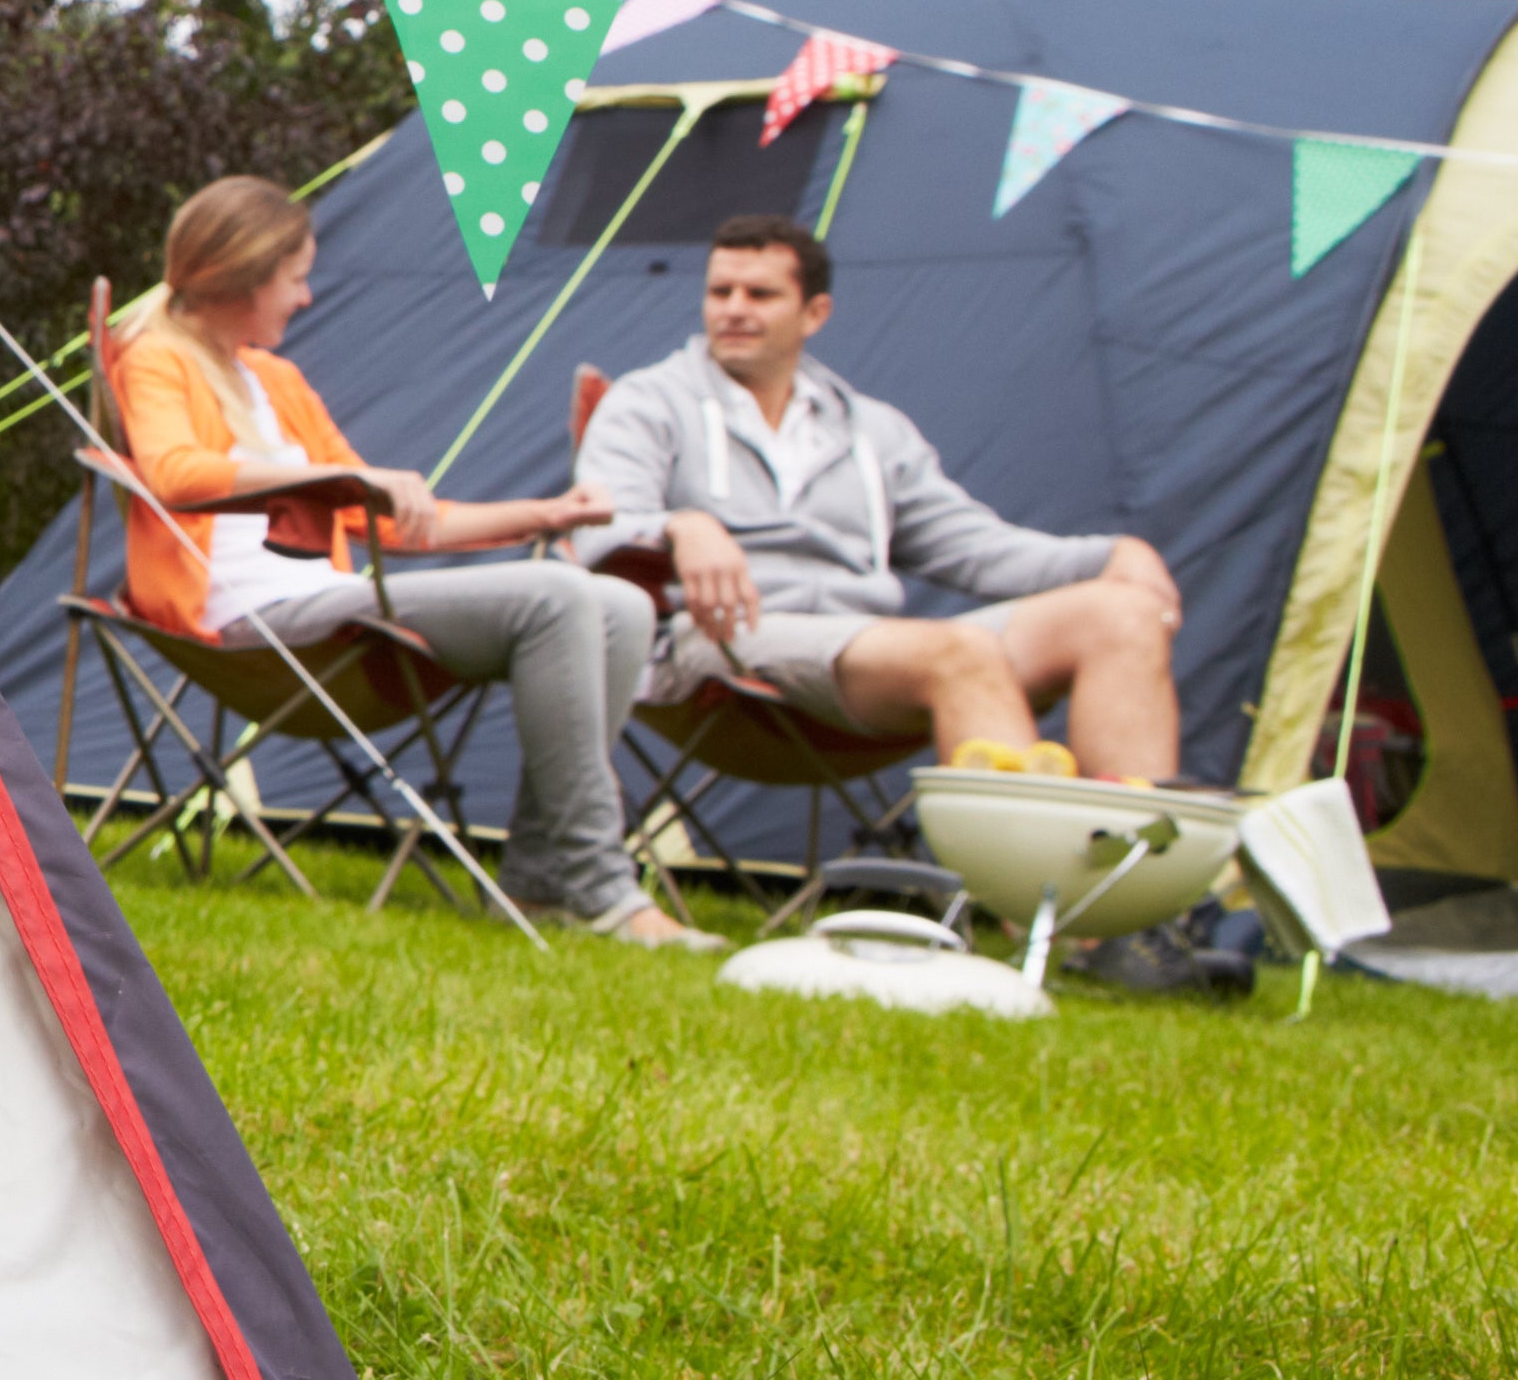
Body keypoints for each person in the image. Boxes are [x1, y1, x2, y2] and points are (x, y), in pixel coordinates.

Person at [108, 177, 700, 946]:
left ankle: (542, 878)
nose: (307, 296)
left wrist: (547, 514)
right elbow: (173, 473)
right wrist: (332, 481)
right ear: (245, 273)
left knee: (618, 602)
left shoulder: (275, 380)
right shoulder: (157, 357)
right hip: (250, 624)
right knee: (556, 597)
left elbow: (381, 518)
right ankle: (601, 884)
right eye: (296, 277)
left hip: (328, 603)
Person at [577, 216, 1183, 776]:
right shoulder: (647, 401)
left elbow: (975, 548)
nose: (733, 310)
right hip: (720, 650)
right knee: (962, 652)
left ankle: (1134, 875)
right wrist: (680, 527)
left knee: (1121, 614)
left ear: (814, 313)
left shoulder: (872, 429)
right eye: (720, 292)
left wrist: (1111, 557)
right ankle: (1031, 885)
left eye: (759, 295)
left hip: (868, 655)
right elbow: (596, 526)